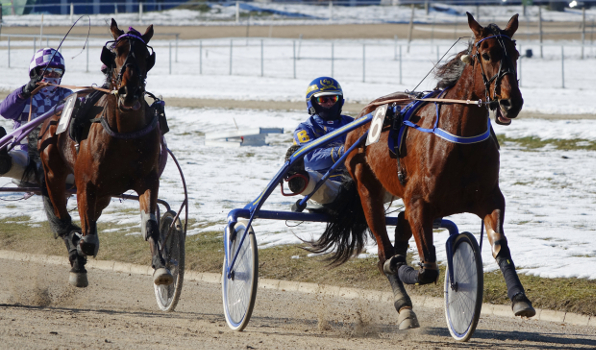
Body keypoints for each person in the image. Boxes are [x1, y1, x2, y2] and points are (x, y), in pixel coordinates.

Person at [0, 48, 73, 185]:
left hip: (57, 152)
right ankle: (4, 162)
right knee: (18, 157)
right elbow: (4, 111)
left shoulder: (67, 94)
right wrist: (23, 93)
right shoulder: (24, 94)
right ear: (35, 73)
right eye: (46, 71)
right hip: (24, 151)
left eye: (56, 72)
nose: (52, 75)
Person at [285, 77, 354, 206]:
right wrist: (344, 150)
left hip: (357, 183)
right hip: (324, 185)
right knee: (310, 175)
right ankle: (298, 181)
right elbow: (310, 159)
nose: (329, 103)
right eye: (323, 99)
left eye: (333, 99)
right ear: (312, 103)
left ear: (340, 101)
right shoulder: (305, 129)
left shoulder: (353, 123)